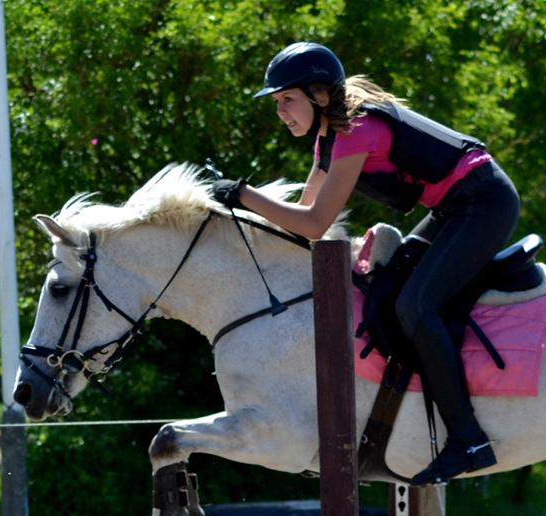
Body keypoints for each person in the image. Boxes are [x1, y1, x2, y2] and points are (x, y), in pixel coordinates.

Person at [211, 41, 520, 485]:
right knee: (393, 291)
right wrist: (238, 210)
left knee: (414, 306)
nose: (280, 111)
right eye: (277, 102)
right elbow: (302, 217)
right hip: (457, 206)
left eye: (287, 100)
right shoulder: (328, 138)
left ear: (319, 95)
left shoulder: (355, 130)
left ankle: (468, 439)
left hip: (484, 202)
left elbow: (316, 223)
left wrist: (244, 195)